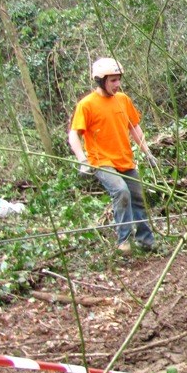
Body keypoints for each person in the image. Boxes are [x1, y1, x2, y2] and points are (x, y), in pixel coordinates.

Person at [68, 57, 158, 254]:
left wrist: (147, 152)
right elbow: (74, 134)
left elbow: (134, 127)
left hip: (124, 158)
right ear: (101, 81)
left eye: (118, 80)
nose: (117, 85)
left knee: (136, 195)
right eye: (112, 81)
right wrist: (82, 160)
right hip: (101, 161)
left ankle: (145, 240)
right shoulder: (87, 105)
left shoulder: (123, 100)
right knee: (121, 191)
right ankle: (123, 241)